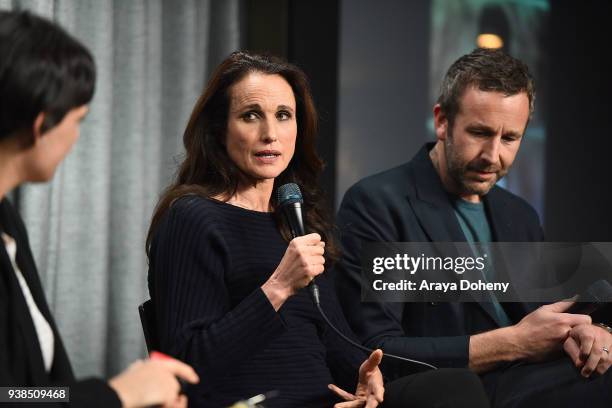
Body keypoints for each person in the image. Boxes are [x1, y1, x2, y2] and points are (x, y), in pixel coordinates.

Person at [146, 50, 490, 408]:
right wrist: (278, 288)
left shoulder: (296, 219)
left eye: (283, 116)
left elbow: (332, 338)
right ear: (219, 131)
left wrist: (364, 375)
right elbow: (186, 362)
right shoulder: (191, 218)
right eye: (250, 116)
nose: (270, 134)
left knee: (454, 386)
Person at [334, 47, 612, 407]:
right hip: (451, 390)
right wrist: (514, 342)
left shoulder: (521, 215)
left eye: (509, 138)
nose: (493, 155)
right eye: (479, 133)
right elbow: (377, 350)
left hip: (527, 382)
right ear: (442, 121)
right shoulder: (377, 203)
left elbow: (549, 322)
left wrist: (591, 332)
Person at [0, 10, 199, 408]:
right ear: (42, 125)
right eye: (79, 121)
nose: (76, 138)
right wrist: (118, 393)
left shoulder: (7, 219)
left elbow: (34, 393)